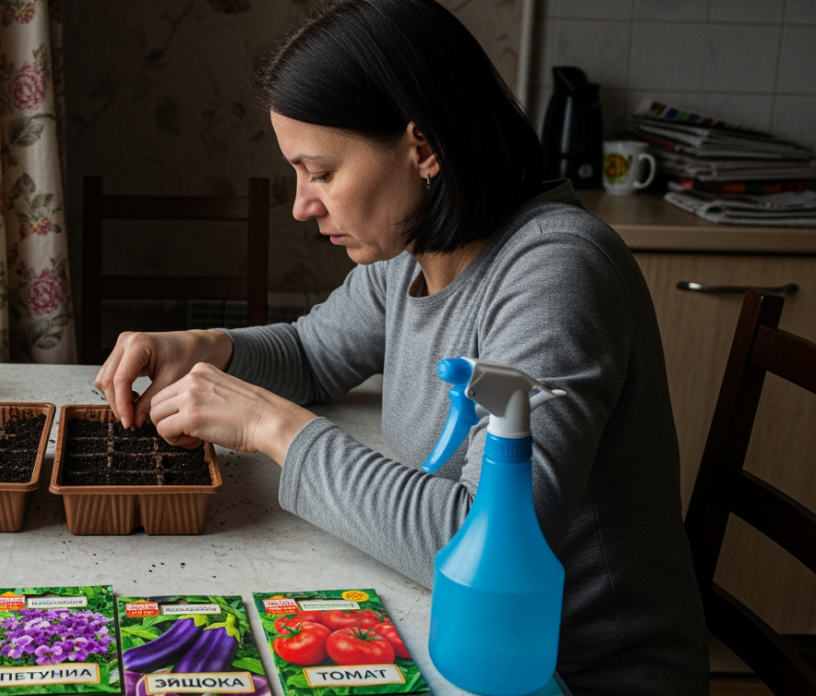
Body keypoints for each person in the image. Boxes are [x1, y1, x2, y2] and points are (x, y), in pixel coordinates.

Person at [92, 0, 708, 693]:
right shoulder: (414, 251)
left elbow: (484, 543)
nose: (301, 204)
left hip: (574, 674)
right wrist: (201, 346)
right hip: (471, 644)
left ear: (422, 148)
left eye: (320, 172)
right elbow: (311, 354)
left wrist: (273, 427)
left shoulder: (555, 273)